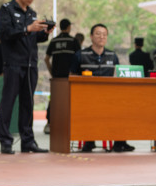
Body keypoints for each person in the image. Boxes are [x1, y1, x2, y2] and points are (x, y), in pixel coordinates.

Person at [0, 0, 50, 154]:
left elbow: (33, 38)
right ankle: (5, 141)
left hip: (30, 65)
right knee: (8, 103)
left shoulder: (32, 13)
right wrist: (27, 29)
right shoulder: (7, 10)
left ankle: (28, 141)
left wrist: (44, 33)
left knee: (28, 104)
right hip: (13, 64)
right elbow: (5, 34)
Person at [71, 23, 135, 152]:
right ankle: (89, 141)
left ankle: (120, 142)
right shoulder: (81, 55)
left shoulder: (112, 55)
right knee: (88, 108)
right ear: (91, 36)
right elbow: (72, 76)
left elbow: (118, 76)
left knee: (123, 105)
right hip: (86, 98)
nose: (101, 37)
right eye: (98, 34)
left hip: (109, 98)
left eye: (104, 35)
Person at [43, 19, 80, 134]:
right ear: (68, 27)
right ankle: (72, 124)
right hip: (70, 77)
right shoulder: (73, 41)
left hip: (57, 76)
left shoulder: (54, 41)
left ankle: (49, 123)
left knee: (54, 100)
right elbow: (79, 58)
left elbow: (46, 59)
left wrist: (52, 72)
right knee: (72, 99)